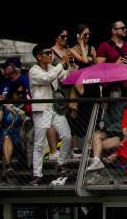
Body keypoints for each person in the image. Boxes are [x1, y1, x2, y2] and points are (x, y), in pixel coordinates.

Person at [28, 43, 73, 185]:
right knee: (39, 143)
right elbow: (47, 78)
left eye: (50, 53)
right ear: (38, 56)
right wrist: (62, 63)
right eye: (47, 53)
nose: (50, 55)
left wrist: (69, 65)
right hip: (42, 109)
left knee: (67, 136)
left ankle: (60, 164)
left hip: (54, 108)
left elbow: (65, 78)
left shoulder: (53, 67)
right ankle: (37, 175)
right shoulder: (33, 71)